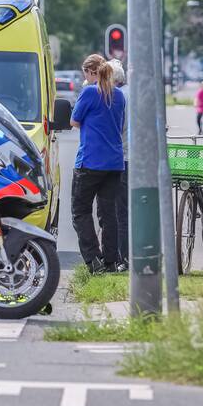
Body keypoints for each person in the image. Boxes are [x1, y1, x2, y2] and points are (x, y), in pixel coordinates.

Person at [70, 54, 126, 275]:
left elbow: (74, 120)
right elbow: (119, 126)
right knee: (108, 213)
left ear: (90, 72)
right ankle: (111, 261)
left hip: (90, 161)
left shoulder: (90, 92)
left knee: (80, 211)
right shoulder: (119, 95)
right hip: (114, 162)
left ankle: (93, 259)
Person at [107, 58, 129, 270]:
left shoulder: (118, 97)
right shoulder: (132, 93)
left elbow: (117, 127)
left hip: (121, 157)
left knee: (119, 211)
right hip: (135, 159)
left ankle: (123, 258)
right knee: (129, 209)